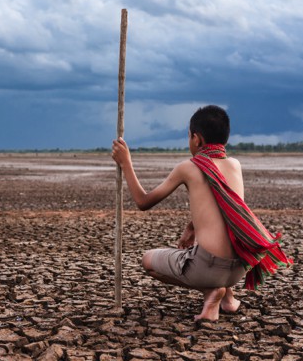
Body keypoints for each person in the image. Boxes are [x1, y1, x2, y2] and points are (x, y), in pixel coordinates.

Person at [111, 105, 292, 321]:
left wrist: (126, 162)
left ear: (196, 139)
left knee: (147, 261)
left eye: (188, 136)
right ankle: (228, 295)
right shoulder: (235, 165)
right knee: (209, 247)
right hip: (240, 267)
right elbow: (226, 208)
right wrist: (191, 227)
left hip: (208, 268)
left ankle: (211, 292)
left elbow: (143, 201)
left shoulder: (188, 167)